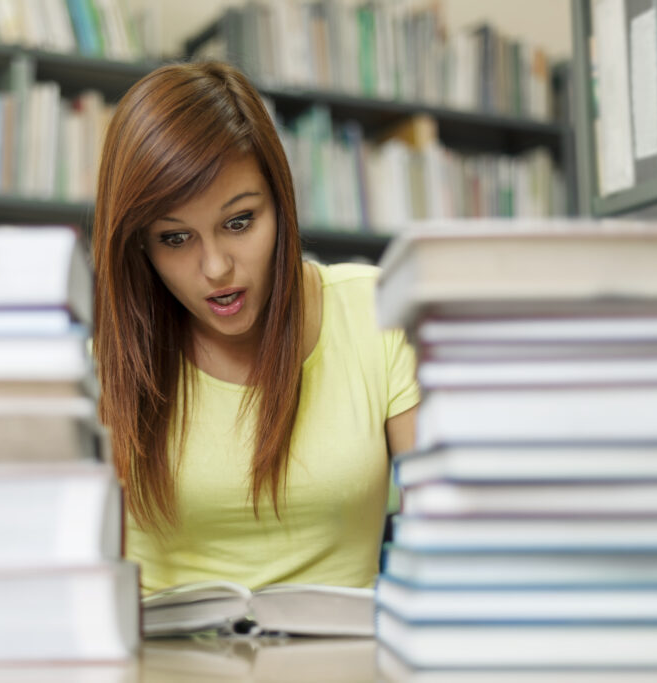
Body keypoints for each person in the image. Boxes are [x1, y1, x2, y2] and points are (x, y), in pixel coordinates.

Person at [92, 61, 419, 594]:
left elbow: (460, 529)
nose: (217, 267)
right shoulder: (97, 371)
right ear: (139, 248)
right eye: (175, 239)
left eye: (239, 222)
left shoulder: (378, 311)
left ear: (280, 205)